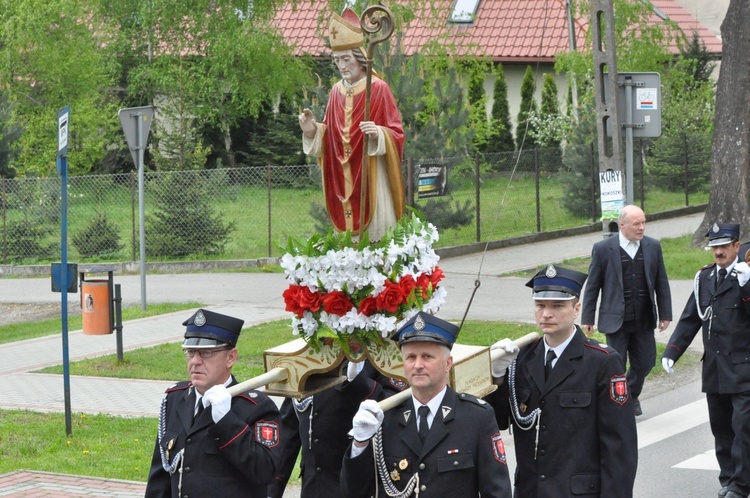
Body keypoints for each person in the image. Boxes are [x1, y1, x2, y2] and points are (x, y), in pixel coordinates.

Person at [486, 265, 638, 498]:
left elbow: (619, 447)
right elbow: (498, 420)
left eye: (557, 306)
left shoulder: (601, 362)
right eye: (540, 305)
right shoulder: (522, 358)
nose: (546, 313)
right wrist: (496, 376)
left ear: (576, 309)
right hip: (530, 491)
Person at [340, 312, 513, 498]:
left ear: (448, 364)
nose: (418, 365)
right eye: (411, 357)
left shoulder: (476, 417)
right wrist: (360, 444)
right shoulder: (385, 417)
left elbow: (497, 492)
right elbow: (354, 492)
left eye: (427, 357)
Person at [145, 309, 281, 498]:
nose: (195, 361)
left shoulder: (256, 407)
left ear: (230, 357)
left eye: (206, 353)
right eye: (190, 352)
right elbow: (160, 476)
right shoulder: (175, 399)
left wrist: (226, 422)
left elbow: (265, 471)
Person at [298, 8, 405, 241]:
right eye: (337, 60)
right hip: (342, 176)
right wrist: (312, 130)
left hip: (371, 172)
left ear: (359, 57)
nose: (341, 66)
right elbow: (331, 133)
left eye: (346, 59)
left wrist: (378, 134)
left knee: (377, 234)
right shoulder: (336, 91)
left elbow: (396, 133)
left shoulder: (378, 88)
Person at [661, 223, 750, 498]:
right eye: (715, 246)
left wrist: (748, 287)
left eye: (724, 246)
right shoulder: (705, 278)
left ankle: (740, 485)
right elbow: (691, 318)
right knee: (721, 428)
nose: (719, 251)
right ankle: (728, 480)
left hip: (744, 367)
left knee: (743, 428)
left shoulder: (746, 275)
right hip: (714, 368)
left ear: (737, 246)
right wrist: (672, 351)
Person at [268, 360, 408, 498]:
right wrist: (270, 491)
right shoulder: (309, 357)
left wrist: (358, 381)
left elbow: (395, 410)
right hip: (313, 489)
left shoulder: (380, 357)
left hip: (360, 488)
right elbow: (288, 434)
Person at [581, 204, 672, 415]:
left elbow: (661, 281)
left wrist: (665, 313)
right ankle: (618, 404)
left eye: (643, 223)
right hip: (616, 320)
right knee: (616, 365)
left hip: (643, 318)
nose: (642, 228)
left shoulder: (652, 246)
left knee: (646, 362)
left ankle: (631, 393)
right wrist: (588, 317)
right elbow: (593, 285)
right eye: (636, 224)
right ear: (622, 225)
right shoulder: (604, 249)